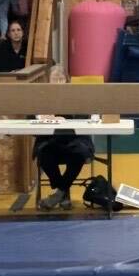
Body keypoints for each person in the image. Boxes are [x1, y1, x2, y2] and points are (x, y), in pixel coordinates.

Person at [34, 67, 95, 211]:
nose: (58, 83)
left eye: (61, 79)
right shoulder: (41, 97)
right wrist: (41, 117)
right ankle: (63, 192)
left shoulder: (76, 96)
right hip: (50, 142)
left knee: (79, 155)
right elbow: (30, 117)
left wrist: (65, 118)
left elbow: (85, 117)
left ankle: (58, 194)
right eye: (54, 79)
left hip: (73, 141)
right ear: (48, 81)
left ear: (67, 81)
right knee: (44, 155)